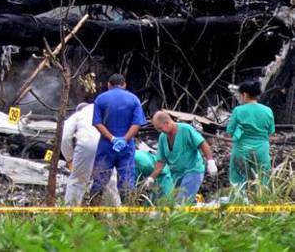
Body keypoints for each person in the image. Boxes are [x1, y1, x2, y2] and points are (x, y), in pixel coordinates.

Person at [90, 74, 147, 202]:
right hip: (126, 147)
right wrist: (124, 139)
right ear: (124, 85)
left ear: (109, 85)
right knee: (126, 183)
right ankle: (127, 216)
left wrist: (112, 139)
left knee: (99, 180)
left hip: (106, 145)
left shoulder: (101, 99)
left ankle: (93, 216)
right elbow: (137, 123)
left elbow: (97, 123)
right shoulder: (134, 99)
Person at [146, 111, 217, 204]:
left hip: (192, 171)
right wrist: (151, 178)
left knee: (181, 202)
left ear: (167, 123)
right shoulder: (163, 137)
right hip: (176, 175)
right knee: (179, 202)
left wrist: (211, 162)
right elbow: (160, 161)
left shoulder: (185, 129)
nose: (159, 131)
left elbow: (202, 143)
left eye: (160, 128)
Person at [61, 102, 121, 206]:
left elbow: (65, 137)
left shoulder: (78, 115)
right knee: (110, 181)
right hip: (107, 145)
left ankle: (69, 215)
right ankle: (115, 215)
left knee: (77, 181)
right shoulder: (104, 112)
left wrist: (69, 158)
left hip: (87, 145)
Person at [227, 81, 275, 186]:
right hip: (262, 150)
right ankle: (261, 200)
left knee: (238, 181)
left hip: (241, 149)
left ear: (245, 94)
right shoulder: (268, 111)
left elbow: (230, 132)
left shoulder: (238, 110)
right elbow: (270, 133)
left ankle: (241, 201)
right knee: (263, 179)